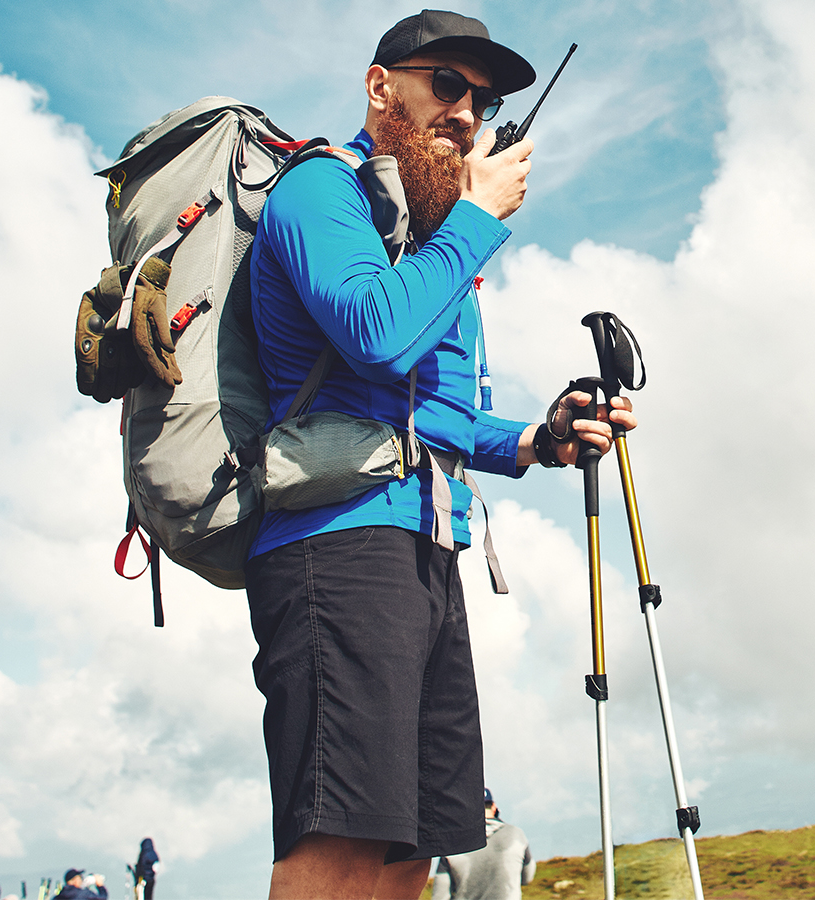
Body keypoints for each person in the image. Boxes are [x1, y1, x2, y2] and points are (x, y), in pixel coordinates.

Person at [244, 9, 635, 900]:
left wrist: (541, 439)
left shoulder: (428, 244)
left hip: (427, 552)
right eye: (446, 84)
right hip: (334, 551)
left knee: (415, 849)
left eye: (484, 98)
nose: (468, 111)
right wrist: (476, 219)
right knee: (342, 842)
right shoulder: (321, 191)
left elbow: (439, 416)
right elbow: (376, 336)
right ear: (382, 87)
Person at [431, 789, 534, 900]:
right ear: (494, 807)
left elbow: (440, 895)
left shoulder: (452, 843)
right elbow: (527, 877)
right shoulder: (516, 835)